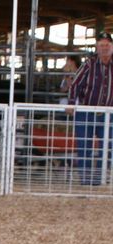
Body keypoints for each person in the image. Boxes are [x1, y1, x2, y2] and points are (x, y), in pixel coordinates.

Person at [68, 31, 113, 186]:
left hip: (109, 112)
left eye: (107, 44)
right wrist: (72, 102)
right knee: (84, 146)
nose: (104, 47)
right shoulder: (89, 64)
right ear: (97, 47)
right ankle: (86, 181)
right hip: (87, 111)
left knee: (108, 147)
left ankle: (101, 180)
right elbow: (75, 84)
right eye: (102, 45)